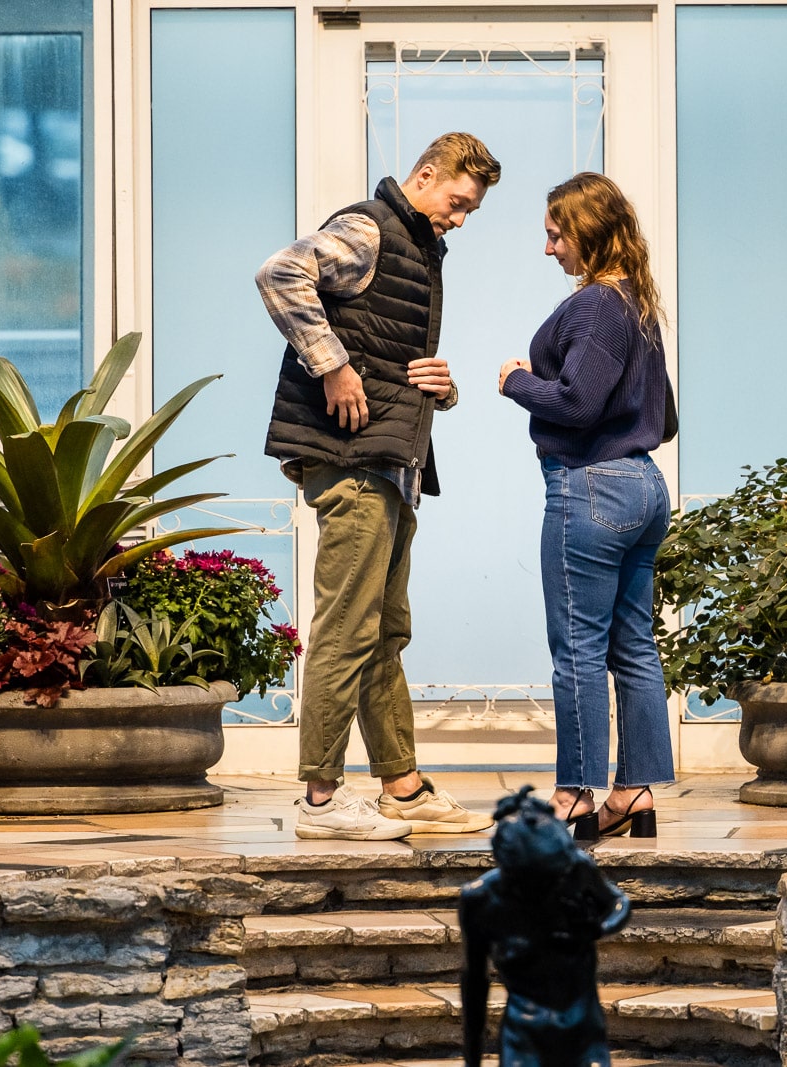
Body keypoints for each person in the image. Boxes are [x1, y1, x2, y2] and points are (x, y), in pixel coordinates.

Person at [258, 132, 502, 840]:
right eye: (457, 202)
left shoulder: (418, 250)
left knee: (385, 630)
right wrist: (330, 365)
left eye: (470, 211)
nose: (459, 218)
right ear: (426, 176)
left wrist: (441, 389)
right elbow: (280, 273)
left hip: (393, 464)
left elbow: (388, 354)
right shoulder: (369, 228)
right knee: (348, 627)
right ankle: (321, 801)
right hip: (355, 464)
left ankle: (401, 785)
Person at [498, 172, 673, 840]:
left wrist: (518, 381)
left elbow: (576, 401)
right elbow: (667, 415)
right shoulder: (638, 303)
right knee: (633, 648)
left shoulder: (599, 305)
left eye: (555, 233)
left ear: (587, 232)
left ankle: (573, 794)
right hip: (642, 485)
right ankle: (633, 792)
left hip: (590, 486)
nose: (549, 249)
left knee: (576, 649)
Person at [459, 787, 631, 1067]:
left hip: (581, 1024)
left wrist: (599, 928)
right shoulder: (482, 900)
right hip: (525, 1031)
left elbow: (618, 903)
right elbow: (475, 984)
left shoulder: (575, 869)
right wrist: (472, 1057)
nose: (555, 885)